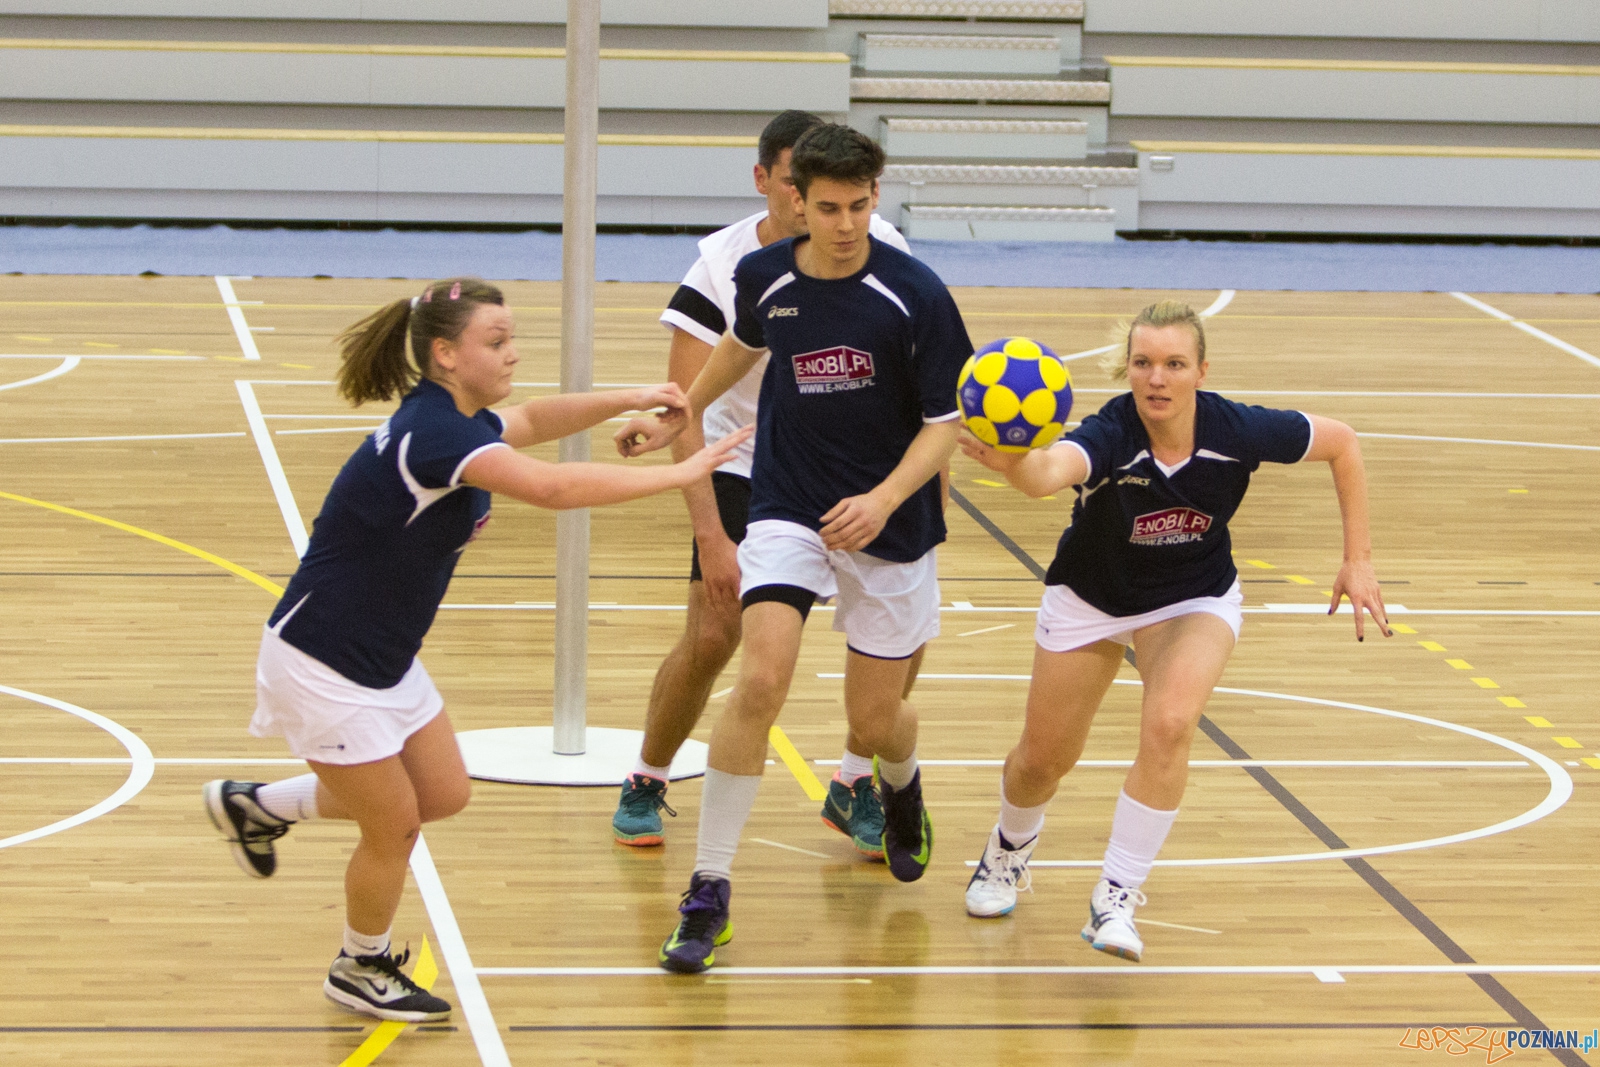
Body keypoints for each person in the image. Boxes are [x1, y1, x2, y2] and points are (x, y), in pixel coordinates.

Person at [202, 277, 748, 1021]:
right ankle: (359, 962)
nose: (513, 352)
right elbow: (552, 489)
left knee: (442, 792)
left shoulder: (454, 414)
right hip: (323, 659)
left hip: (381, 655)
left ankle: (257, 806)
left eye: (511, 337)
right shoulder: (437, 436)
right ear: (445, 354)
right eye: (496, 342)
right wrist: (681, 471)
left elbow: (527, 418)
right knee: (393, 823)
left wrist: (630, 397)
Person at [615, 123, 974, 974]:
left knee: (873, 719)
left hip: (888, 515)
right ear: (794, 202)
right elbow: (742, 344)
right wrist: (674, 416)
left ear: (875, 198)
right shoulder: (762, 274)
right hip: (785, 502)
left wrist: (885, 497)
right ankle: (708, 890)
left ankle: (901, 777)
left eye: (859, 205)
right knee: (761, 679)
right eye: (827, 207)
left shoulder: (917, 293)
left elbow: (947, 420)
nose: (845, 223)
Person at [959, 300, 1390, 961]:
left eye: (1173, 364)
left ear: (1200, 370)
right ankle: (1007, 849)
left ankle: (1118, 895)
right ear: (1126, 369)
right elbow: (1050, 474)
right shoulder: (1110, 433)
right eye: (1143, 363)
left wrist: (1358, 559)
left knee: (1169, 723)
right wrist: (1013, 458)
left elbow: (1343, 442)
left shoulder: (1236, 429)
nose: (1156, 378)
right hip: (1093, 595)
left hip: (1193, 594)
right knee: (1042, 760)